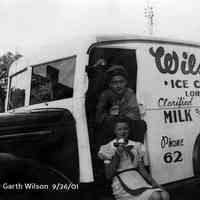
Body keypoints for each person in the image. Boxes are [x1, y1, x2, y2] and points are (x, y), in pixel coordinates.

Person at [98, 117, 170, 200]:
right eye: (119, 129)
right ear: (114, 131)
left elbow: (142, 169)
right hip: (122, 182)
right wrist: (117, 154)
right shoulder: (108, 148)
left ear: (129, 130)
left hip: (137, 179)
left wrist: (156, 184)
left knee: (165, 195)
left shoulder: (136, 145)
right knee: (156, 197)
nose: (123, 132)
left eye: (125, 129)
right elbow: (108, 175)